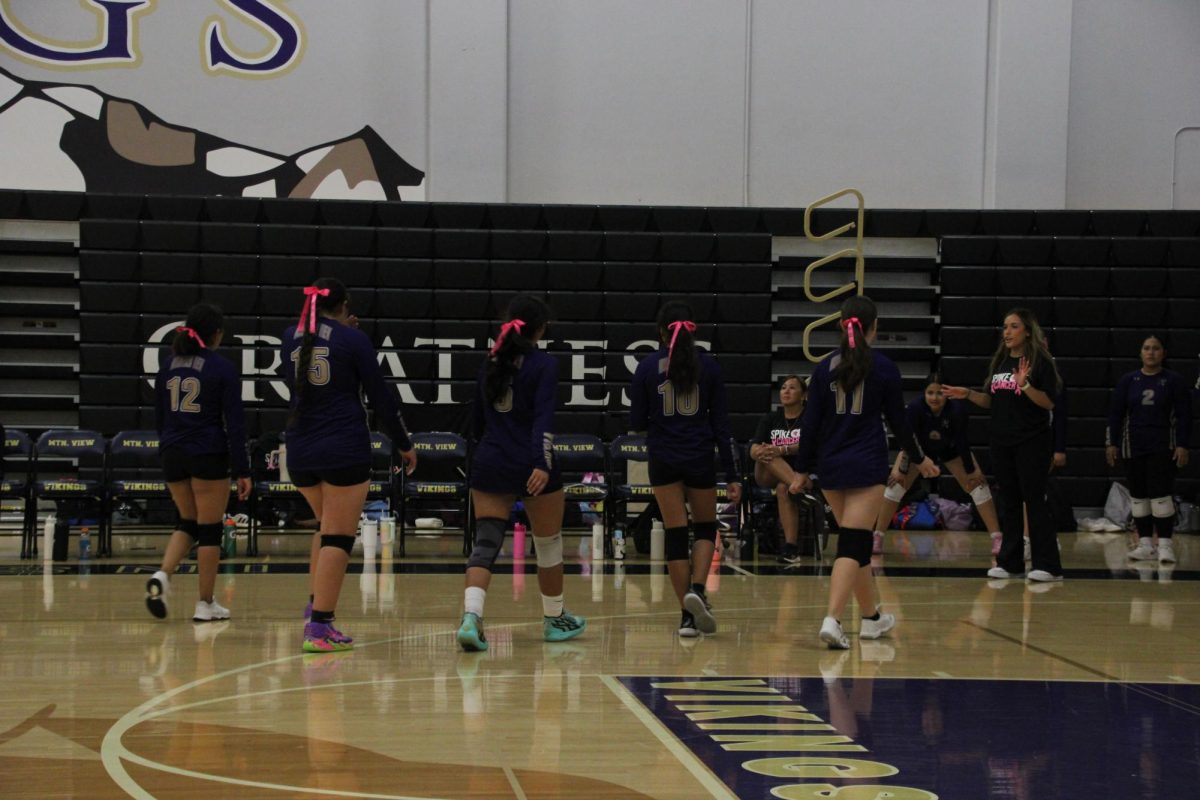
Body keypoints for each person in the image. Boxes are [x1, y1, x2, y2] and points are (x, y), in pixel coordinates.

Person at [794, 296, 938, 649]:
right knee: (852, 543)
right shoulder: (885, 367)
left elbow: (809, 426)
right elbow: (900, 424)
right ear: (875, 327)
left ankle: (872, 617)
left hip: (831, 467)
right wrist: (919, 459)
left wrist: (801, 470)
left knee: (854, 544)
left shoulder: (823, 367)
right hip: (866, 466)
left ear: (841, 326)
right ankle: (833, 619)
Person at [283, 278, 417, 653]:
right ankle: (321, 626)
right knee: (339, 538)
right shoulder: (353, 339)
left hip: (300, 449)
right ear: (343, 307)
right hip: (342, 447)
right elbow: (381, 398)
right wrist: (404, 443)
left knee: (326, 531)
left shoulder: (288, 336)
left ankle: (314, 606)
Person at [456, 295, 586, 651]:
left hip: (491, 460)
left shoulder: (490, 363)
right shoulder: (544, 365)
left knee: (485, 543)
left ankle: (471, 618)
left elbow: (478, 422)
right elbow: (543, 419)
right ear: (541, 329)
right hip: (530, 463)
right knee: (548, 545)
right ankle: (554, 618)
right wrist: (541, 464)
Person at [630, 300, 742, 638]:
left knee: (676, 535)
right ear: (693, 330)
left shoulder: (647, 368)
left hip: (663, 459)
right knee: (706, 528)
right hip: (699, 457)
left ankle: (687, 618)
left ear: (661, 332)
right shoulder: (709, 367)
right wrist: (733, 474)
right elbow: (722, 426)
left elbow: (636, 423)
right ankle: (697, 588)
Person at [145, 304, 251, 621]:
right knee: (209, 530)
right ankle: (205, 603)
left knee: (187, 522)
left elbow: (160, 417)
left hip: (172, 452)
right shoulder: (221, 368)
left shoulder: (168, 365)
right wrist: (243, 469)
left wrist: (169, 445)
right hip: (207, 451)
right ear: (216, 334)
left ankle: (163, 575)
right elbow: (235, 425)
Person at [942, 307, 1064, 583]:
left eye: (1014, 327)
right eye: (1005, 327)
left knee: (1034, 502)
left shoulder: (1039, 362)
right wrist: (968, 394)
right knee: (1008, 502)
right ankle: (1010, 562)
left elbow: (1049, 402)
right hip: (1001, 441)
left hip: (1032, 441)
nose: (1007, 332)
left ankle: (1049, 565)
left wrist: (1026, 386)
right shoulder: (1001, 362)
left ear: (1028, 331)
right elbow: (990, 401)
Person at [872, 372, 1003, 555]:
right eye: (930, 393)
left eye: (939, 393)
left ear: (947, 394)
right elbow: (908, 441)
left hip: (950, 449)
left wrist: (972, 471)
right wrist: (902, 470)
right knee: (895, 485)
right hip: (919, 451)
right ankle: (877, 536)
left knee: (979, 486)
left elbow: (962, 443)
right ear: (924, 394)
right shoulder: (915, 409)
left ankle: (997, 538)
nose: (934, 398)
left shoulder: (957, 411)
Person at [1106, 334, 1191, 564]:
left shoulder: (1174, 381)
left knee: (1161, 497)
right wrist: (1111, 443)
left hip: (1163, 446)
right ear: (1140, 353)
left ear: (1163, 353)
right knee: (1139, 498)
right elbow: (1115, 415)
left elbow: (1185, 417)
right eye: (1146, 348)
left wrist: (1183, 444)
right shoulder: (1128, 381)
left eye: (1155, 348)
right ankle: (1144, 544)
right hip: (1133, 447)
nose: (1151, 352)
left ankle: (1164, 545)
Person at [749, 375, 810, 564]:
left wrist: (784, 449)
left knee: (784, 488)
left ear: (803, 395)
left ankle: (791, 549)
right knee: (766, 452)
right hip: (768, 472)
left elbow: (811, 444)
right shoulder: (771, 418)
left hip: (801, 470)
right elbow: (752, 448)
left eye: (792, 388)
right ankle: (799, 488)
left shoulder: (810, 417)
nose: (786, 391)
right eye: (783, 388)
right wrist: (760, 451)